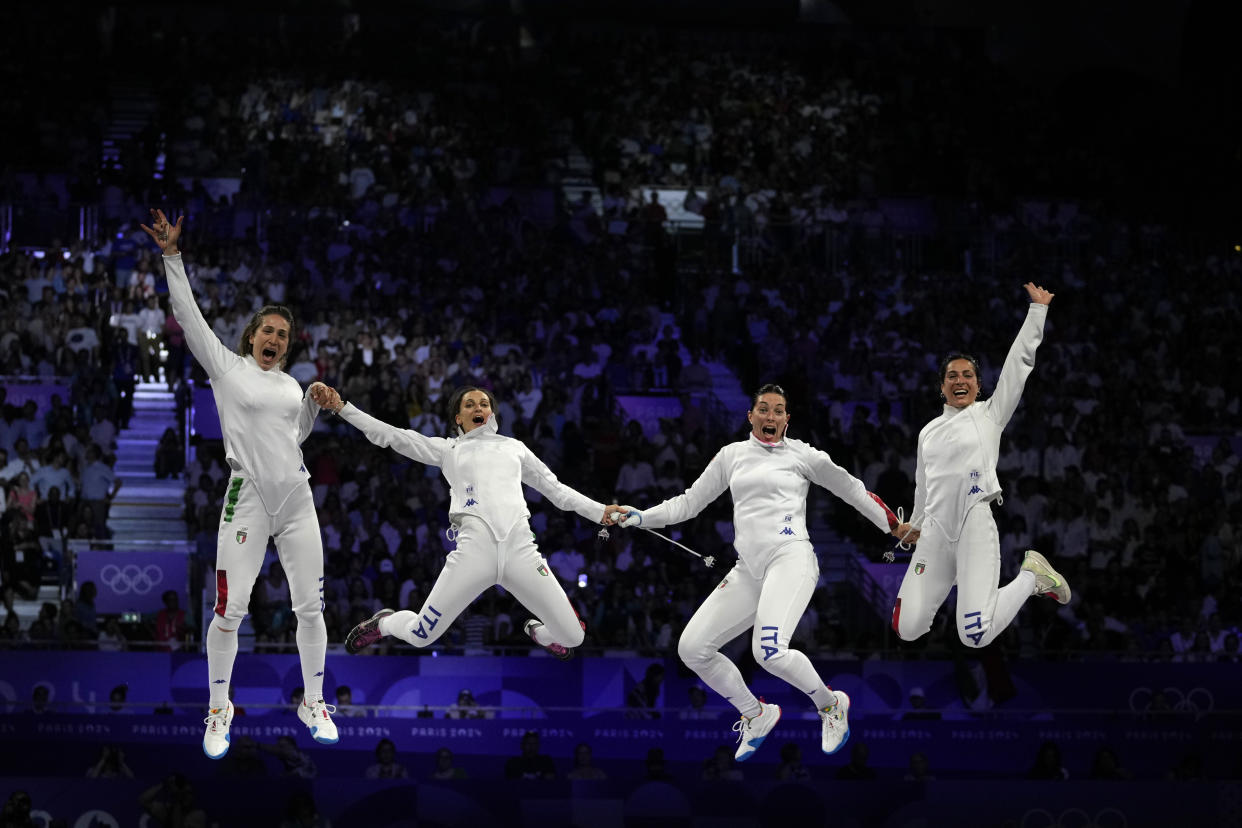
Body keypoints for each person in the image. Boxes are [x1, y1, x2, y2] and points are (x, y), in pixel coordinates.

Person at [610, 384, 911, 762]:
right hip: (748, 569)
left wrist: (892, 526)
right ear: (750, 415)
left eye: (779, 410)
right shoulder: (731, 456)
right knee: (692, 649)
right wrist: (641, 517)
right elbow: (689, 503)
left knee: (768, 651)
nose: (771, 417)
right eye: (764, 409)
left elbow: (851, 489)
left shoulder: (804, 455)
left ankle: (831, 704)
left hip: (791, 558)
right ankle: (756, 713)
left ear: (787, 418)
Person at [141, 209, 337, 759]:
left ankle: (314, 702)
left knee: (311, 609)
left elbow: (293, 437)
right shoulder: (227, 369)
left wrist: (314, 409)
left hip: (296, 500)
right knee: (229, 611)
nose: (276, 337)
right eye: (268, 330)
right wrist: (172, 257)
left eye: (284, 335)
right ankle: (219, 708)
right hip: (246, 498)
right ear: (251, 336)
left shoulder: (290, 385)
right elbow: (188, 314)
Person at [321, 385, 609, 660]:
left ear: (492, 414)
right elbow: (393, 436)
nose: (478, 407)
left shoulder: (515, 448)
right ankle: (385, 623)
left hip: (521, 551)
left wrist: (601, 512)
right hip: (474, 554)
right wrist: (343, 408)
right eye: (469, 404)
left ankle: (539, 633)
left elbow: (556, 490)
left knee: (573, 637)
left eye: (484, 404)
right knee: (421, 635)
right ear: (459, 418)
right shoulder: (449, 450)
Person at [890, 284, 1071, 652]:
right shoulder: (927, 433)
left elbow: (1018, 367)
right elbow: (923, 489)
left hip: (974, 522)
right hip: (937, 532)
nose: (960, 381)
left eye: (967, 375)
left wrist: (1037, 312)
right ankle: (957, 574)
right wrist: (916, 527)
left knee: (974, 636)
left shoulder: (989, 415)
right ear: (942, 387)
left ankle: (1031, 575)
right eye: (952, 376)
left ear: (978, 384)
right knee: (906, 628)